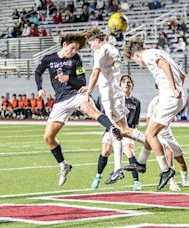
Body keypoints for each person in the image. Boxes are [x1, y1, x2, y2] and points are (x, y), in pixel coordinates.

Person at [35, 32, 123, 186]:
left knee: (92, 111)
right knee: (48, 137)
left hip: (75, 95)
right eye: (72, 48)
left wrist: (68, 78)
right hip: (60, 101)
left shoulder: (76, 59)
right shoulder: (49, 59)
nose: (74, 51)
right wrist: (40, 88)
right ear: (64, 45)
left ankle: (112, 128)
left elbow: (82, 81)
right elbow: (38, 71)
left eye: (76, 49)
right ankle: (64, 165)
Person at [81, 27, 146, 184]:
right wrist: (91, 87)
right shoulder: (111, 49)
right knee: (122, 131)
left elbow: (97, 73)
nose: (90, 47)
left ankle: (119, 168)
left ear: (98, 40)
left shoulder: (101, 51)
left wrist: (88, 92)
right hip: (115, 94)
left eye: (91, 43)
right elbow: (107, 75)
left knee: (116, 131)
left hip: (110, 97)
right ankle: (119, 168)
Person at [124, 37, 186, 190]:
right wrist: (178, 89)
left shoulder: (148, 55)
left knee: (151, 135)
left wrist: (172, 89)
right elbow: (182, 74)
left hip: (169, 97)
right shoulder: (159, 51)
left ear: (136, 55)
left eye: (135, 61)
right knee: (149, 133)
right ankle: (141, 163)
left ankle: (166, 170)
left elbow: (164, 65)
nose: (139, 63)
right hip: (172, 97)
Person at [91, 75, 142, 191]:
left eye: (129, 82)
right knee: (105, 150)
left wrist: (132, 133)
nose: (126, 84)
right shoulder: (115, 99)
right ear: (119, 85)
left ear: (132, 85)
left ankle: (136, 182)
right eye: (124, 82)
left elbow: (135, 120)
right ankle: (98, 176)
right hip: (112, 130)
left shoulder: (136, 102)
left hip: (126, 131)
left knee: (129, 151)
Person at [144, 85, 189, 191]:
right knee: (169, 153)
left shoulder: (169, 100)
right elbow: (148, 120)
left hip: (168, 133)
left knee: (181, 158)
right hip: (158, 134)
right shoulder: (154, 102)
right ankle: (172, 182)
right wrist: (150, 136)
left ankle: (185, 181)